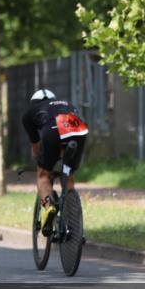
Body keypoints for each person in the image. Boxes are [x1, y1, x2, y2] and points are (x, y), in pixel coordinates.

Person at [21, 89, 89, 234]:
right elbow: (66, 131)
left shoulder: (30, 112)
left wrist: (42, 160)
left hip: (52, 130)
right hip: (79, 129)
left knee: (43, 176)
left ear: (34, 103)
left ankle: (48, 205)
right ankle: (71, 214)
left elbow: (36, 145)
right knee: (68, 172)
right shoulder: (66, 104)